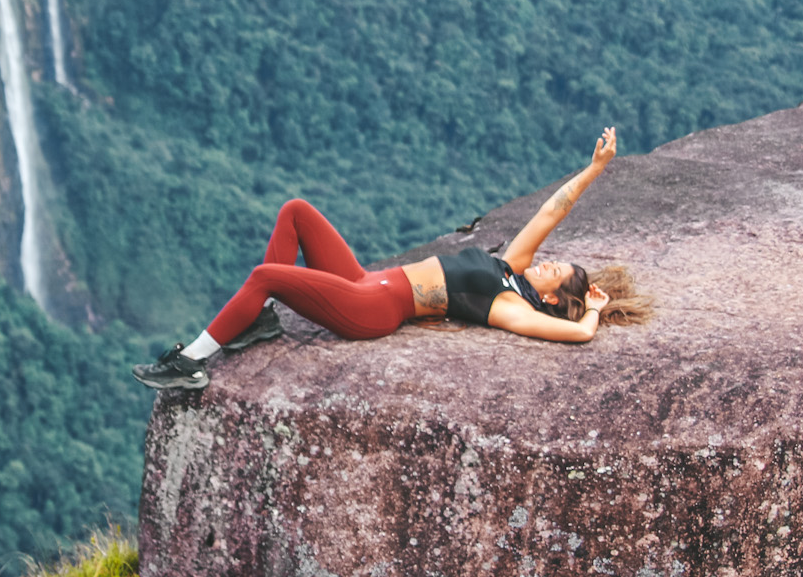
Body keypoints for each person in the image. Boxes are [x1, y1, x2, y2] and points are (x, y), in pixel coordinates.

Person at [133, 128, 649, 389]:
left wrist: (597, 310)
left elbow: (579, 334)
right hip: (366, 281)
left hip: (372, 309)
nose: (546, 262)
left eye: (554, 271)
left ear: (555, 295)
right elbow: (548, 213)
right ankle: (262, 321)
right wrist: (595, 167)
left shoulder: (513, 308)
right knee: (295, 211)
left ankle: (191, 364)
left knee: (267, 275)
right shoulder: (510, 269)